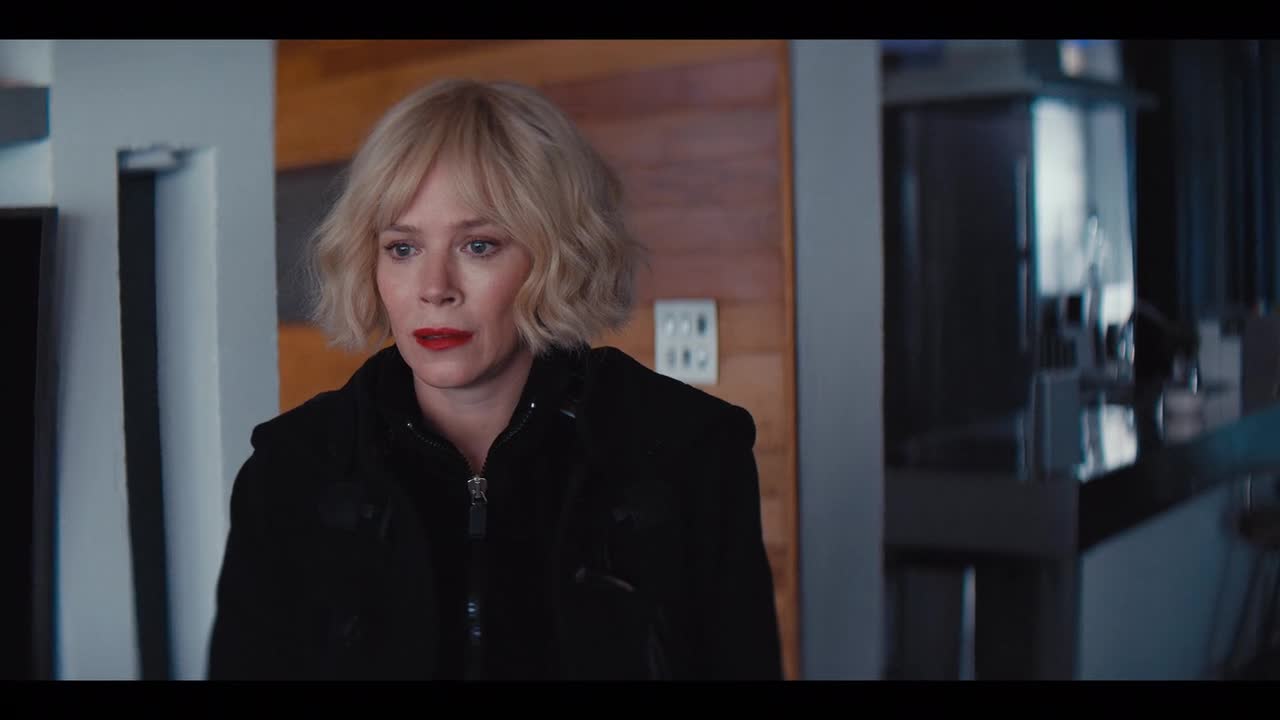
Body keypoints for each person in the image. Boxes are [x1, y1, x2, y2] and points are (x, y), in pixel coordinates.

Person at [206, 78, 782, 681]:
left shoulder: (691, 450)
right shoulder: (289, 470)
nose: (435, 288)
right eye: (402, 248)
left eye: (478, 245)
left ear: (556, 256)